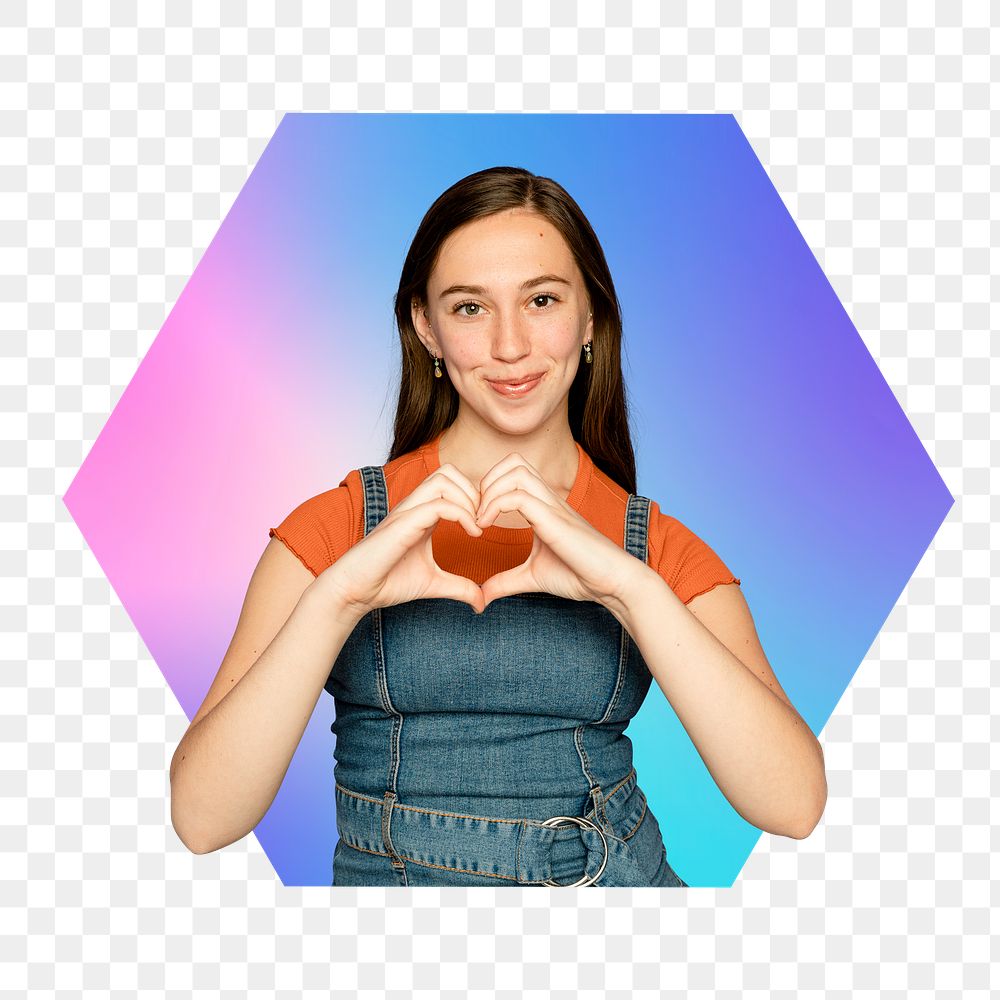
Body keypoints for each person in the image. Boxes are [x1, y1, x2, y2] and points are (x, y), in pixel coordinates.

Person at [169, 166, 827, 886]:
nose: (511, 346)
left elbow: (793, 805)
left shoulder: (653, 548)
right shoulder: (337, 529)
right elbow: (203, 821)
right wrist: (338, 600)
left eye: (542, 300)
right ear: (426, 327)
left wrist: (629, 590)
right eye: (470, 308)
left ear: (590, 321)